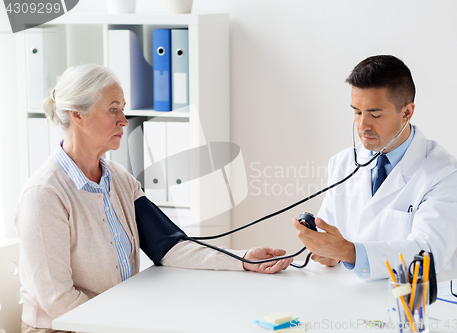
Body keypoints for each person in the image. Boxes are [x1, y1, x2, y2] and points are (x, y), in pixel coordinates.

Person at [15, 64, 293, 333]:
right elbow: (58, 301)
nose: (123, 120)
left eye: (122, 109)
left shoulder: (119, 179)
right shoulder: (44, 195)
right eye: (113, 109)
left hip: (112, 318)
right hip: (67, 327)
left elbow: (170, 246)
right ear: (77, 115)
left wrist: (243, 259)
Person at [293, 55, 457, 280]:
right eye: (357, 112)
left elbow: (426, 253)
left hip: (418, 299)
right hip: (350, 295)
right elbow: (332, 232)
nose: (362, 126)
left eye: (375, 114)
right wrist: (328, 252)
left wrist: (349, 252)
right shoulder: (342, 163)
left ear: (407, 112)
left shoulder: (446, 175)